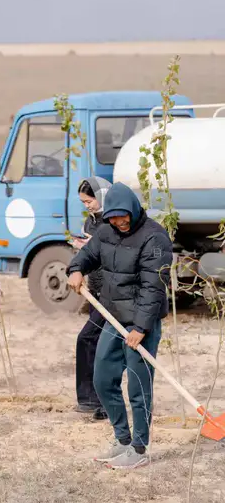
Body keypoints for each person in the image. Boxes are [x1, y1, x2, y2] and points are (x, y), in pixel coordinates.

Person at [67, 182, 172, 469]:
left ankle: (139, 448)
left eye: (123, 216)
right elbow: (88, 255)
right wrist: (76, 268)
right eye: (113, 217)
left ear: (133, 209)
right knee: (102, 378)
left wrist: (140, 328)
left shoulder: (154, 238)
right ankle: (122, 438)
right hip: (113, 317)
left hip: (141, 324)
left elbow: (154, 288)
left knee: (138, 388)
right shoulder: (105, 231)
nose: (119, 222)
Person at [70, 177, 112, 421]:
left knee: (93, 342)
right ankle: (90, 399)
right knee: (91, 342)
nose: (87, 205)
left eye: (90, 200)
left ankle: (96, 400)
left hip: (112, 293)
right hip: (96, 291)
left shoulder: (113, 221)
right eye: (83, 202)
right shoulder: (92, 220)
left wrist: (93, 247)